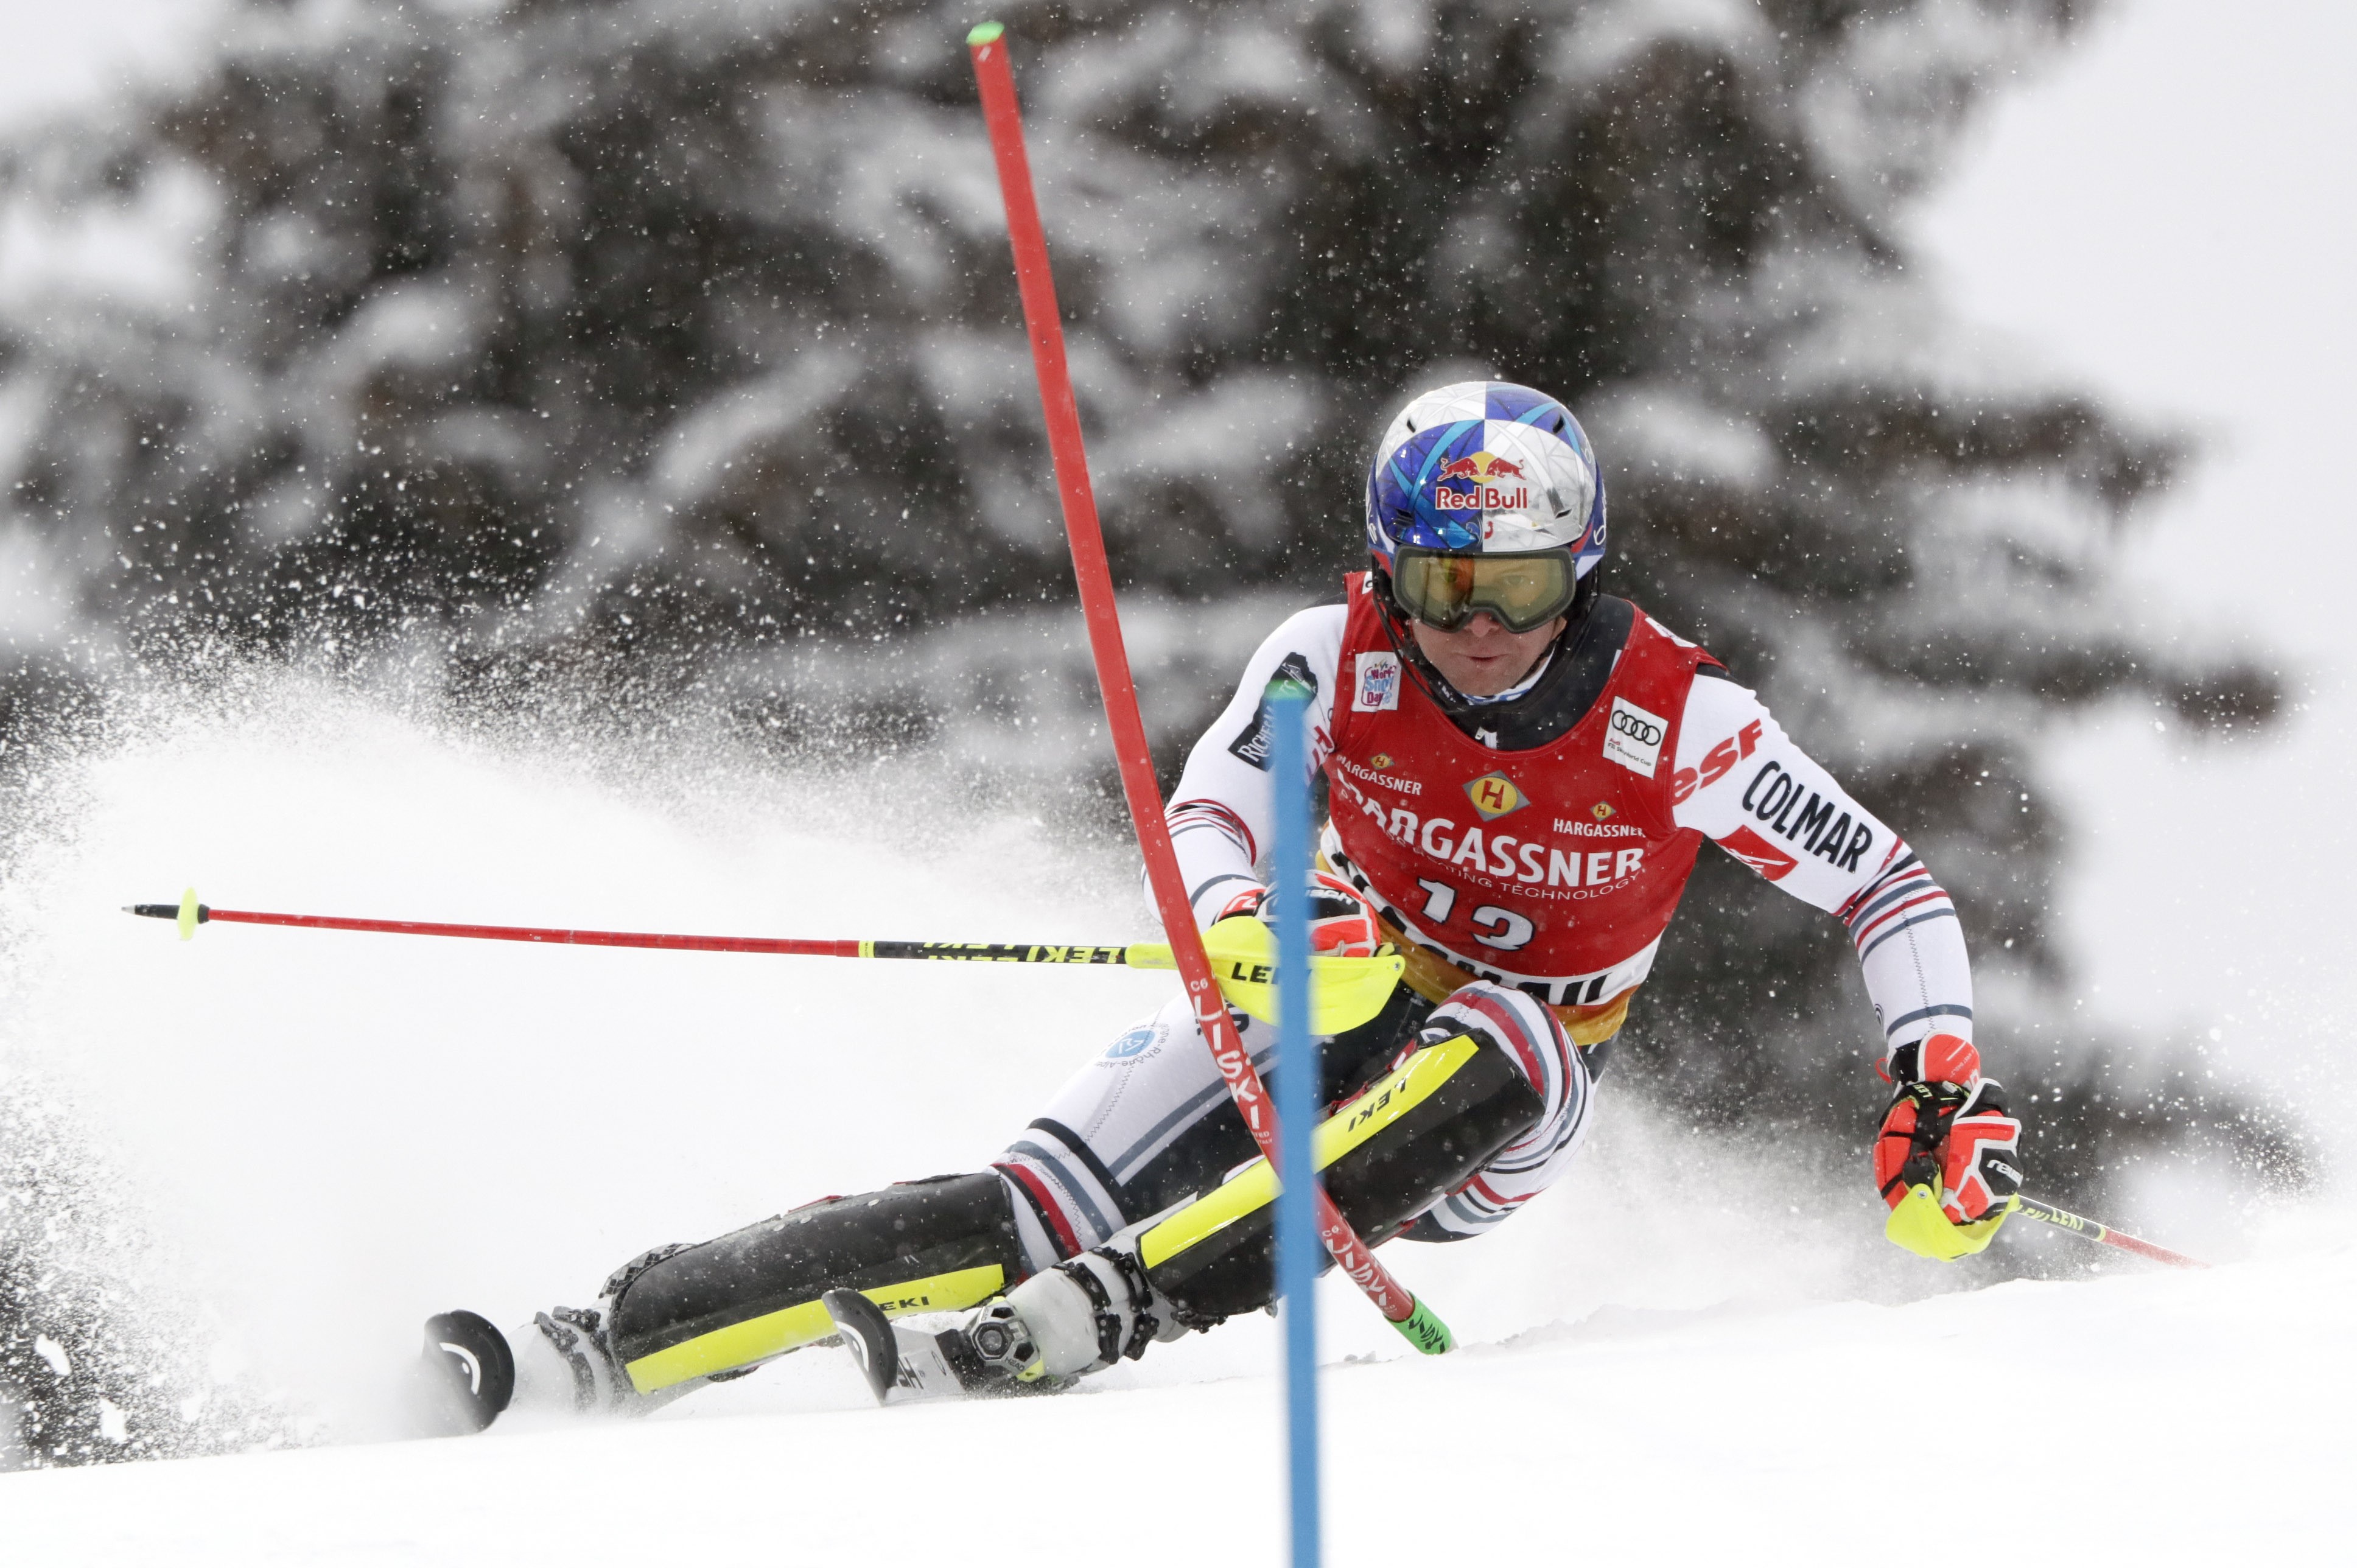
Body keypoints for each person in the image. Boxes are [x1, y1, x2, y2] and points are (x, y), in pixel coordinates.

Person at [418, 380, 2025, 1430]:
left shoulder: (1682, 723)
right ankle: (604, 1343)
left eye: (1518, 591)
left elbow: (1890, 886)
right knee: (1013, 1213)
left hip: (1484, 1116)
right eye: (1444, 587)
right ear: (1389, 567)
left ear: (1581, 571)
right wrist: (1259, 925)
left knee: (1515, 1036)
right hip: (1320, 1007)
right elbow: (1210, 814)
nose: (1476, 630)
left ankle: (1114, 1313)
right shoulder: (1328, 665)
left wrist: (1933, 1079)